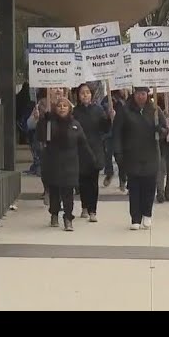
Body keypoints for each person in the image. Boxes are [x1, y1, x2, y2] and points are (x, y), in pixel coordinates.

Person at [113, 87, 168, 230]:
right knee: (135, 187)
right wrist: (118, 152)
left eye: (143, 94)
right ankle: (135, 218)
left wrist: (160, 131)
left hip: (150, 154)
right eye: (138, 94)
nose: (141, 97)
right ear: (134, 94)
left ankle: (147, 214)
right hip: (132, 154)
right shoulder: (125, 111)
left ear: (147, 94)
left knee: (149, 187)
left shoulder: (155, 110)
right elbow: (117, 132)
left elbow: (165, 129)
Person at [40, 95, 95, 231]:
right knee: (54, 191)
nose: (62, 108)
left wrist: (92, 159)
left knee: (68, 193)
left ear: (70, 108)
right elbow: (40, 137)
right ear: (55, 108)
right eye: (59, 106)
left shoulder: (75, 125)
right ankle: (54, 213)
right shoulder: (49, 122)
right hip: (53, 162)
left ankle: (68, 218)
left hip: (70, 164)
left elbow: (83, 144)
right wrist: (42, 120)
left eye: (65, 106)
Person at [73, 83, 114, 222]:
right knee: (82, 181)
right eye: (82, 93)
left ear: (91, 95)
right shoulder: (75, 112)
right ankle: (84, 206)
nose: (85, 95)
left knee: (93, 181)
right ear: (78, 96)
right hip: (80, 150)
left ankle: (93, 210)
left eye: (87, 92)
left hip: (95, 149)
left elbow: (105, 128)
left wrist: (109, 118)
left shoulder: (98, 110)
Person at [101, 90, 128, 191]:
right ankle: (109, 173)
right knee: (107, 155)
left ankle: (122, 179)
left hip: (120, 133)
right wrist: (108, 115)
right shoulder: (107, 99)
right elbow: (102, 114)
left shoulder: (124, 100)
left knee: (120, 158)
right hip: (109, 133)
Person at [157, 93, 169, 203]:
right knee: (161, 167)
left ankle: (168, 190)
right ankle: (160, 192)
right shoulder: (155, 107)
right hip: (160, 142)